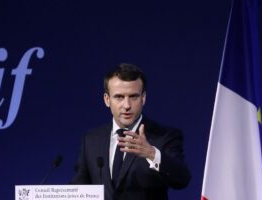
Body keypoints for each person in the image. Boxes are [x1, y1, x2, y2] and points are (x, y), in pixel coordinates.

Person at [71, 63, 191, 200]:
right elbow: (80, 187)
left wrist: (151, 153)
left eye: (133, 97)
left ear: (143, 98)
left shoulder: (164, 136)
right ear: (107, 99)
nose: (127, 105)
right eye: (119, 97)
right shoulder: (92, 139)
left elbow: (182, 179)